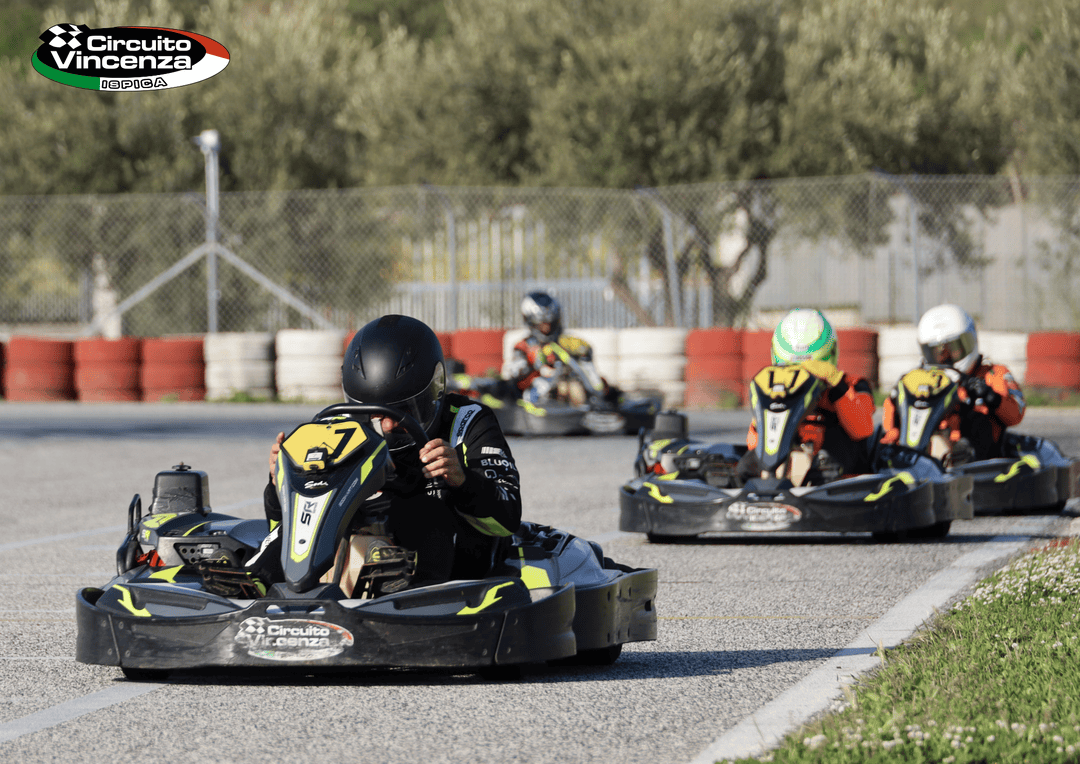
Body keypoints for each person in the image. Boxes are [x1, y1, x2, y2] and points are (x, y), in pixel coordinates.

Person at [249, 314, 522, 590]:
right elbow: (283, 521)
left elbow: (507, 518)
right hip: (367, 551)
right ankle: (254, 580)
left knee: (428, 512)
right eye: (375, 413)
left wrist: (463, 481)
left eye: (402, 411)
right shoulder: (339, 429)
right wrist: (281, 483)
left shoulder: (467, 421)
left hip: (453, 558)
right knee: (314, 522)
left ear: (433, 392)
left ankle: (406, 591)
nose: (388, 425)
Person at [880, 303, 1025, 461]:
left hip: (977, 452)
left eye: (952, 349)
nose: (945, 357)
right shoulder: (920, 378)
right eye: (938, 352)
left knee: (979, 420)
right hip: (932, 442)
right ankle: (902, 455)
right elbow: (890, 406)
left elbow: (1015, 415)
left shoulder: (993, 374)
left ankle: (957, 457)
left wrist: (990, 396)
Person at [743, 309, 876, 480]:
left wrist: (836, 383)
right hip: (787, 455)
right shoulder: (774, 389)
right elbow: (753, 442)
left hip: (836, 465)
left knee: (826, 463)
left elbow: (862, 430)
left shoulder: (853, 385)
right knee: (744, 467)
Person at [502, 291, 611, 404]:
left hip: (569, 393)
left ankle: (599, 404)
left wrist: (581, 355)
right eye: (542, 324)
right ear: (531, 322)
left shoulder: (567, 342)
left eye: (550, 324)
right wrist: (538, 366)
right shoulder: (523, 346)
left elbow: (589, 372)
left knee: (573, 387)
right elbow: (516, 378)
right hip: (537, 397)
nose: (547, 328)